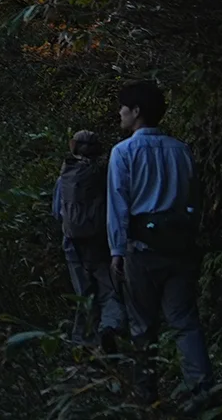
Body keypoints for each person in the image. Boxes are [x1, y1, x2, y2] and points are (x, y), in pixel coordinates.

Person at [108, 79, 214, 405]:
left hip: (141, 250)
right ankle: (204, 393)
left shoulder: (123, 152)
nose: (120, 113)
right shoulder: (181, 150)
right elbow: (194, 199)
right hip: (180, 248)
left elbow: (118, 206)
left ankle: (146, 396)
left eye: (123, 108)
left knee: (142, 326)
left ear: (136, 111)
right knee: (185, 323)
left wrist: (116, 251)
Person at [52, 129, 124, 347]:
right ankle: (109, 327)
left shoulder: (65, 176)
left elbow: (57, 212)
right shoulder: (103, 174)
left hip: (73, 244)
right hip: (101, 243)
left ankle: (83, 343)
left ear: (73, 146)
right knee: (109, 290)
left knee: (84, 294)